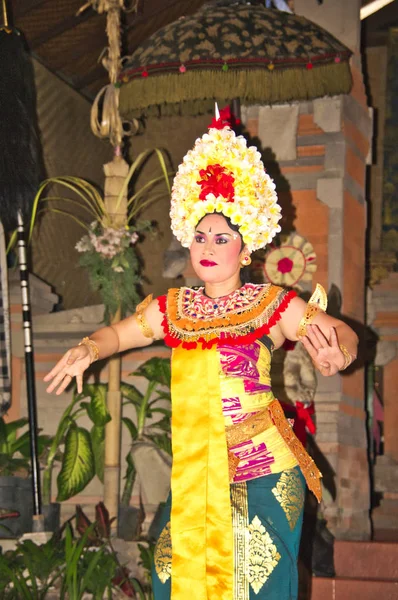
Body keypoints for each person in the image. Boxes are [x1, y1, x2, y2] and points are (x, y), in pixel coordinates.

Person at [44, 110, 358, 600]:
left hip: (261, 474)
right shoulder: (173, 309)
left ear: (246, 248)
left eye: (222, 237)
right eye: (200, 236)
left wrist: (339, 353)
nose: (207, 246)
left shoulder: (271, 304)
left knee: (257, 587)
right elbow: (117, 335)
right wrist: (88, 348)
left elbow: (340, 332)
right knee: (176, 580)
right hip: (193, 478)